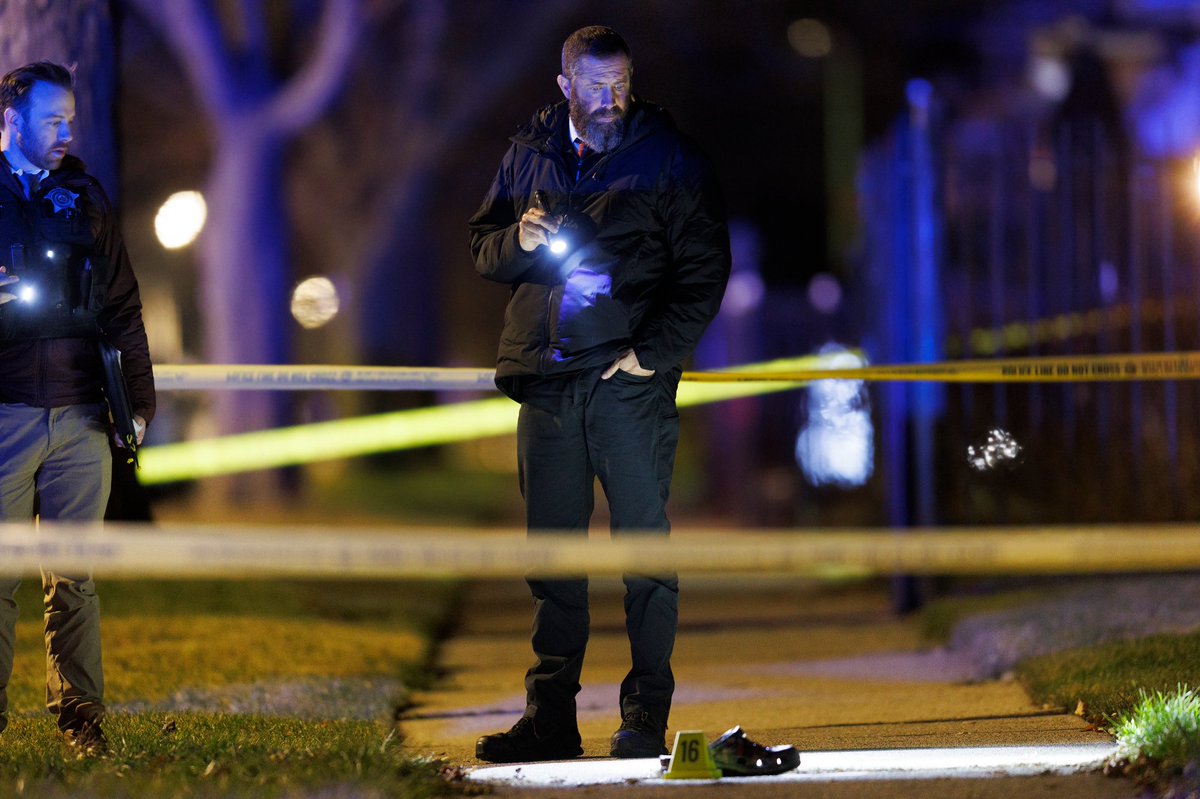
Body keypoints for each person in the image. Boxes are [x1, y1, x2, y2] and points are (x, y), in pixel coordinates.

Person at [469, 26, 730, 762]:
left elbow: (705, 271)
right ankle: (549, 718)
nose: (610, 99)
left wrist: (650, 355)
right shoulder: (528, 151)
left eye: (620, 84)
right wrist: (518, 241)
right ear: (565, 85)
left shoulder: (670, 157)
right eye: (593, 85)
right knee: (553, 560)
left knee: (644, 553)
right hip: (547, 381)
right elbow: (482, 247)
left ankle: (644, 712)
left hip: (627, 385)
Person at [0, 62, 154, 755]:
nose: (68, 131)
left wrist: (138, 402)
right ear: (12, 116)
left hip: (82, 416)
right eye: (52, 119)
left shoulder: (85, 195)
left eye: (71, 118)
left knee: (74, 578)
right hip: (4, 414)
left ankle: (81, 719)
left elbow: (122, 302)